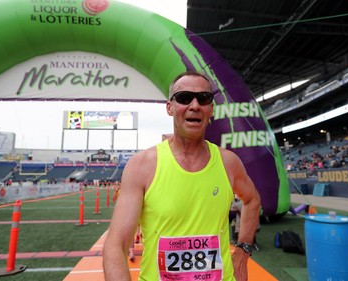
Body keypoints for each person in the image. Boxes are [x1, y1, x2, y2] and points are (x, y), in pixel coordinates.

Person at [103, 70, 261, 281]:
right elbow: (116, 245)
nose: (194, 105)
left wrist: (243, 250)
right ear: (170, 107)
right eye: (184, 98)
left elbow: (252, 200)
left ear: (211, 109)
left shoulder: (229, 163)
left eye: (203, 99)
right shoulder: (142, 166)